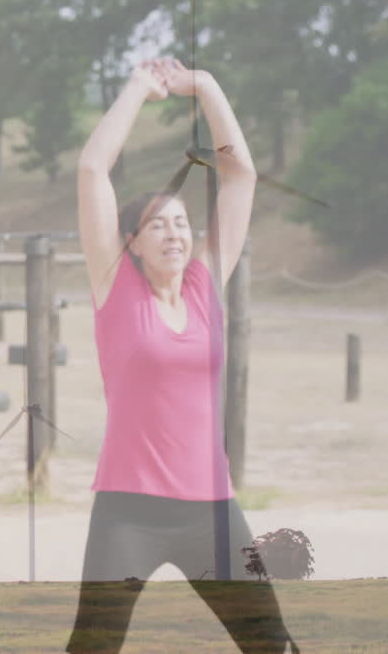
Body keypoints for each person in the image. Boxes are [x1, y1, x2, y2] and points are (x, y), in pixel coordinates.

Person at [68, 57, 297, 653]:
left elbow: (239, 175)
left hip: (212, 511)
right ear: (131, 244)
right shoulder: (114, 289)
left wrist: (208, 89)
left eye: (181, 223)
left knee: (271, 644)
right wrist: (139, 91)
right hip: (129, 511)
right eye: (157, 225)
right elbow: (93, 168)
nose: (174, 232)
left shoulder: (203, 288)